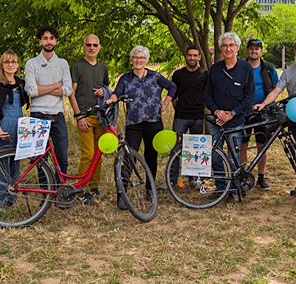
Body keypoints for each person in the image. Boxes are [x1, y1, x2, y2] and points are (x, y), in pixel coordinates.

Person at [108, 45, 176, 209]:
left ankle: (150, 189)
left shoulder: (155, 76)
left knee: (151, 157)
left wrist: (166, 104)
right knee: (129, 157)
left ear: (146, 60)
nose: (138, 60)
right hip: (134, 123)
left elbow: (173, 87)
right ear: (132, 59)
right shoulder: (126, 78)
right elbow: (117, 92)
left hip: (154, 122)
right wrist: (112, 99)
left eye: (141, 58)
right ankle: (122, 193)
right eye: (135, 57)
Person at [254, 38, 296, 196]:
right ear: (295, 51)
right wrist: (264, 104)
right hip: (295, 119)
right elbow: (277, 90)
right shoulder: (289, 72)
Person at [204, 32, 255, 203]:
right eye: (225, 45)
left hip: (236, 120)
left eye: (231, 45)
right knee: (215, 155)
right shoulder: (215, 69)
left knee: (234, 157)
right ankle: (221, 189)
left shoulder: (246, 68)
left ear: (237, 48)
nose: (228, 48)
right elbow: (207, 94)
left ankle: (234, 191)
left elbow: (249, 97)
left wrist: (232, 113)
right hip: (216, 121)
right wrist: (217, 111)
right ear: (220, 48)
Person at [25, 25, 73, 174]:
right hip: (38, 115)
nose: (49, 42)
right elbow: (31, 90)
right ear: (40, 41)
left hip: (57, 115)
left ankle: (61, 188)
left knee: (62, 157)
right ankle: (45, 193)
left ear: (56, 41)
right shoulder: (31, 63)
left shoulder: (62, 63)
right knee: (40, 158)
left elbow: (68, 89)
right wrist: (57, 85)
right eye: (45, 38)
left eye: (52, 38)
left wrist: (42, 89)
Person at [69, 34, 110, 205]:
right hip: (84, 116)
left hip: (100, 116)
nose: (92, 48)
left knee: (98, 154)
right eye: (88, 45)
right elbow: (71, 93)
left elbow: (107, 89)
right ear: (83, 47)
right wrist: (79, 116)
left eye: (95, 45)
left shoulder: (102, 67)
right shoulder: (77, 66)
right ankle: (81, 189)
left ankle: (94, 186)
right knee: (87, 154)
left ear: (99, 47)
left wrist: (103, 91)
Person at [0, 50, 30, 208]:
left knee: (14, 166)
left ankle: (11, 200)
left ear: (18, 65)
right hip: (4, 127)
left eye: (14, 62)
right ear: (2, 65)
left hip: (19, 128)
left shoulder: (21, 83)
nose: (10, 65)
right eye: (7, 62)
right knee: (1, 167)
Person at [240, 39, 279, 191]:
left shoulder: (269, 68)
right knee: (242, 145)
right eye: (251, 49)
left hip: (263, 114)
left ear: (261, 51)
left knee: (262, 146)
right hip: (243, 113)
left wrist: (268, 106)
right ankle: (243, 175)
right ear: (247, 51)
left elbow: (276, 88)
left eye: (257, 49)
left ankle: (261, 177)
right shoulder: (241, 67)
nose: (254, 51)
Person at [167, 44, 209, 186]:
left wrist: (200, 107)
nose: (192, 58)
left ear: (199, 57)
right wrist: (179, 109)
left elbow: (207, 96)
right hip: (181, 117)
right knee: (176, 149)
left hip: (198, 117)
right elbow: (173, 96)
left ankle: (194, 179)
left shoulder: (204, 75)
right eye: (189, 55)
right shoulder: (178, 74)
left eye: (195, 55)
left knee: (196, 150)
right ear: (186, 56)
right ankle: (172, 180)